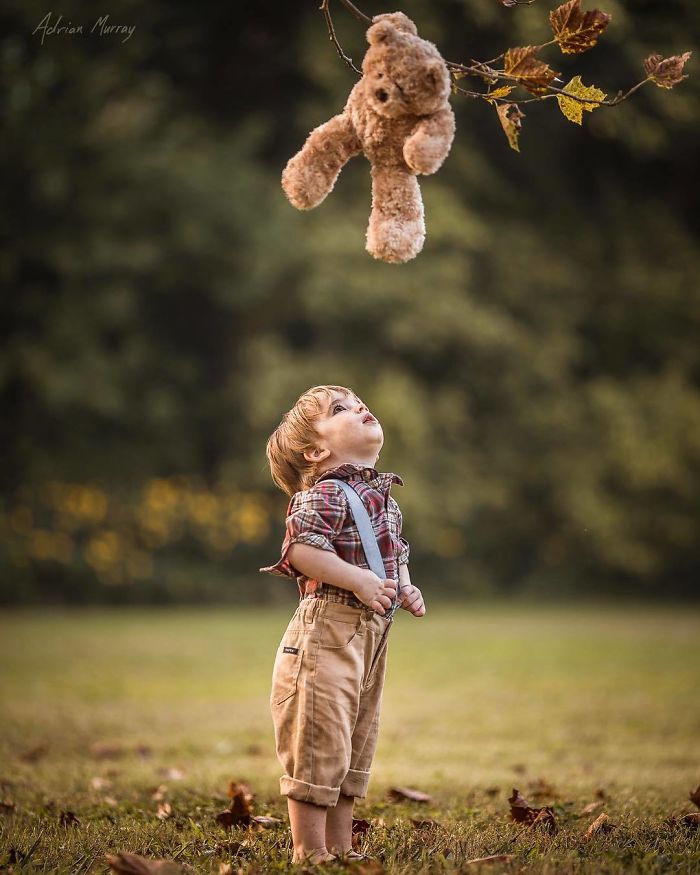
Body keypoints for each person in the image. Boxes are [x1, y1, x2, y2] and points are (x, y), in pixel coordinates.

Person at [259, 384, 426, 865]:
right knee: (320, 738)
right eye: (340, 409)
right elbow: (301, 549)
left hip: (369, 635)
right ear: (316, 451)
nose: (359, 408)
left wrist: (404, 586)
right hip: (325, 633)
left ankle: (340, 847)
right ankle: (309, 851)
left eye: (357, 403)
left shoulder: (384, 500)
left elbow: (395, 555)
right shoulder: (327, 492)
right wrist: (358, 581)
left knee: (353, 740)